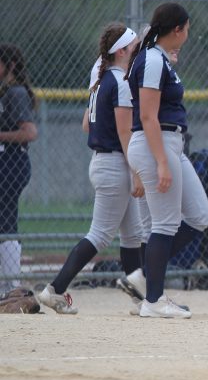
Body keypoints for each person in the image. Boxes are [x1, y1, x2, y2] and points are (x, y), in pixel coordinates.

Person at [38, 24, 145, 314]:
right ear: (121, 51)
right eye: (134, 47)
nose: (139, 51)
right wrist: (137, 172)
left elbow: (89, 124)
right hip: (114, 164)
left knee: (133, 234)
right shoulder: (120, 82)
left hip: (107, 162)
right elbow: (125, 134)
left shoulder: (103, 80)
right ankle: (55, 290)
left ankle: (141, 299)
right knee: (99, 235)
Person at [125, 2, 208, 318]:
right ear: (178, 28)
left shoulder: (159, 58)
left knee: (199, 214)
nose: (188, 35)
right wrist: (161, 161)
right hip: (156, 143)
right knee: (165, 223)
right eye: (187, 28)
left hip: (171, 143)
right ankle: (154, 299)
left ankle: (147, 279)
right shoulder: (151, 59)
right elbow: (147, 115)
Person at [0, 45, 38, 295]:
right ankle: (7, 282)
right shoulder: (6, 92)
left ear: (10, 65)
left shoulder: (15, 93)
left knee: (7, 220)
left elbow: (30, 132)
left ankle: (12, 283)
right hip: (6, 161)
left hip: (13, 162)